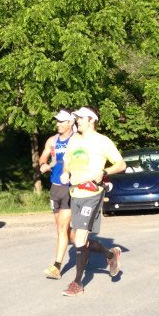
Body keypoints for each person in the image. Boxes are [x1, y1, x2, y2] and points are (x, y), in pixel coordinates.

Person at [60, 106, 126, 297]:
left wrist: (104, 172)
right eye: (77, 118)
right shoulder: (74, 140)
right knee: (78, 240)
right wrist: (65, 173)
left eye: (81, 118)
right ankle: (111, 255)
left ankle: (77, 283)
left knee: (80, 239)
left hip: (92, 193)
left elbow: (121, 164)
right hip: (75, 193)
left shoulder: (102, 141)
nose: (77, 120)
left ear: (92, 120)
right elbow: (67, 163)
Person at [39, 109, 75, 279]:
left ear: (70, 122)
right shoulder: (52, 140)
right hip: (55, 188)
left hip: (70, 187)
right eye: (57, 121)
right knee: (64, 231)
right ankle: (101, 251)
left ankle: (56, 267)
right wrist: (43, 165)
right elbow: (43, 158)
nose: (58, 124)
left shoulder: (77, 140)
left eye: (62, 121)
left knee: (62, 228)